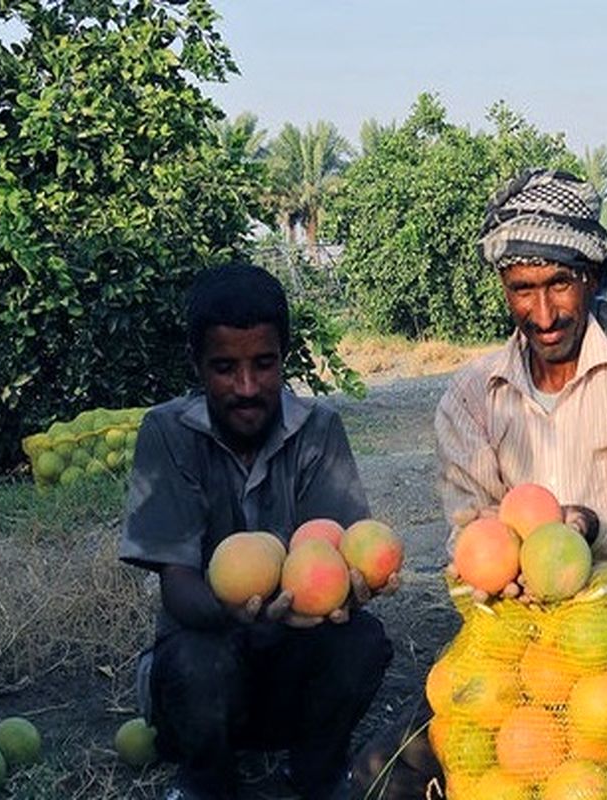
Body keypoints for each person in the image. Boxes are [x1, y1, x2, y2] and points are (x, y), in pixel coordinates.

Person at [355, 170, 607, 799]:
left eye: (559, 284)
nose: (544, 313)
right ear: (504, 288)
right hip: (529, 654)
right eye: (523, 289)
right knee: (387, 768)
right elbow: (470, 540)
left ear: (593, 278)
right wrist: (491, 573)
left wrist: (589, 528)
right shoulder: (472, 398)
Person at [120, 263, 394, 800]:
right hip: (202, 683)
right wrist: (233, 612)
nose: (247, 387)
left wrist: (354, 588)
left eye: (264, 364)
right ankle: (205, 781)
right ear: (196, 364)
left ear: (284, 358)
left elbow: (335, 563)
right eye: (225, 368)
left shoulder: (318, 431)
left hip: (287, 668)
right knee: (201, 661)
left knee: (362, 641)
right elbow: (177, 584)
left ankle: (315, 768)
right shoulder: (167, 434)